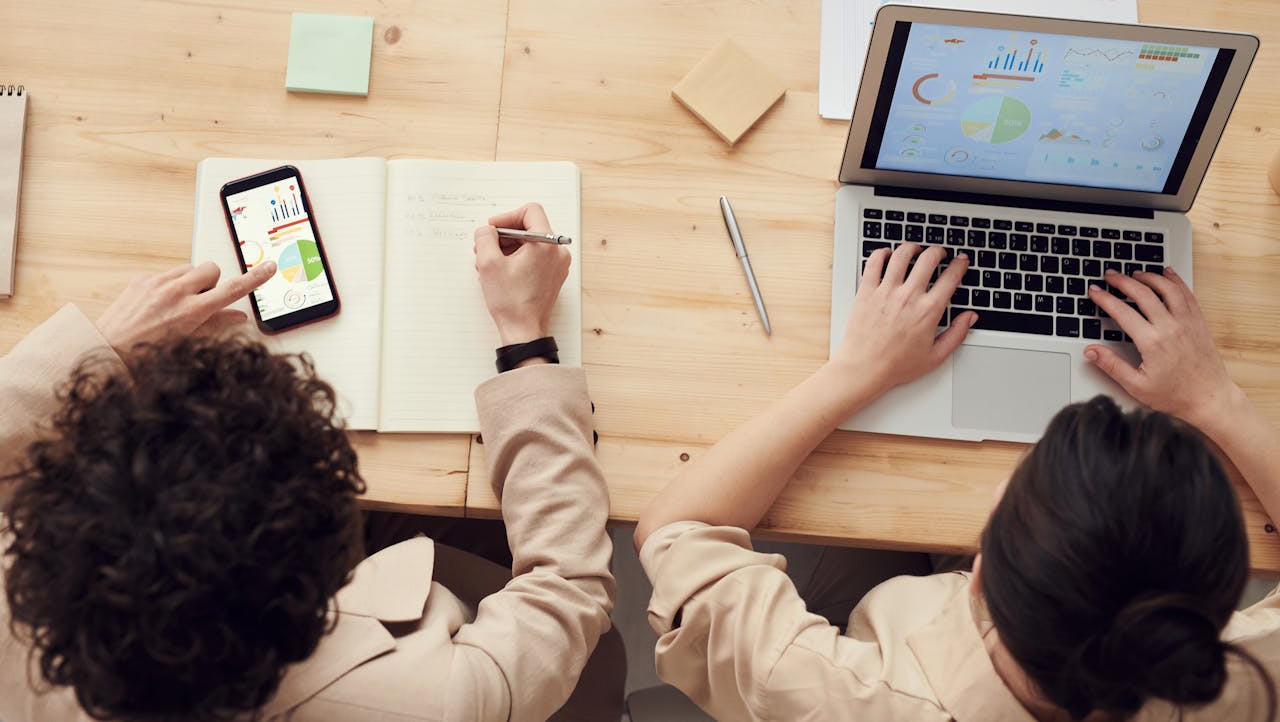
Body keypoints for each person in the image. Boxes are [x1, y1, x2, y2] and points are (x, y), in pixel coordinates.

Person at [0, 203, 620, 722]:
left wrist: (102, 350)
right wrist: (526, 340)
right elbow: (565, 591)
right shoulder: (427, 702)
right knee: (599, 649)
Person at [635, 242, 1280, 721]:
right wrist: (1215, 399)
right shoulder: (1249, 685)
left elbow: (677, 530)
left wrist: (854, 371)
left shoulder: (833, 693)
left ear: (978, 572)